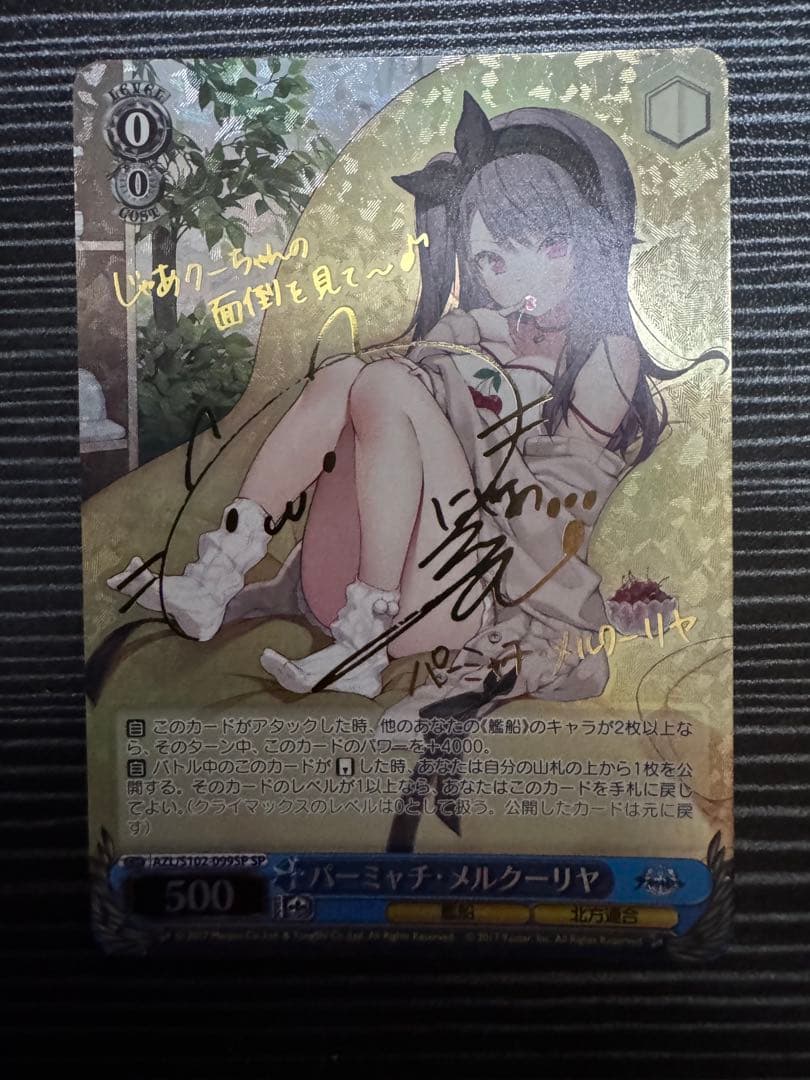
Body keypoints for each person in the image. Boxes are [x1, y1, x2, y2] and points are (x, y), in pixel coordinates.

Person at [108, 93, 716, 707]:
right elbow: (389, 441)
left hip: (467, 595)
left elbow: (547, 529)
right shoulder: (476, 330)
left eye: (546, 242)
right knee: (348, 374)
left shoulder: (606, 355)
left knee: (384, 383)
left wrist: (465, 399)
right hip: (350, 576)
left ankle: (364, 643)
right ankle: (216, 576)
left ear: (585, 238)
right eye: (490, 259)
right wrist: (451, 350)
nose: (509, 277)